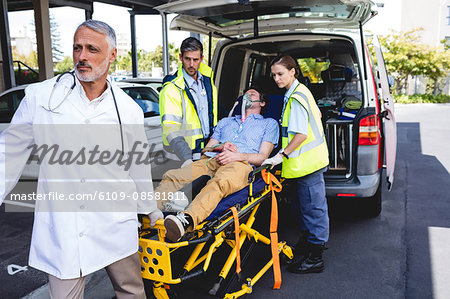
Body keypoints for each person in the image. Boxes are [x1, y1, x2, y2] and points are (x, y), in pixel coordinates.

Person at [0, 20, 163, 298]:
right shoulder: (41, 97)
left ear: (112, 55)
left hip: (115, 223)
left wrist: (150, 209)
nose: (82, 56)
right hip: (65, 229)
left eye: (92, 49)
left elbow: (137, 167)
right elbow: (8, 154)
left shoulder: (128, 110)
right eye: (77, 48)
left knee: (131, 292)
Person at [156, 87, 279, 242]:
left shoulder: (269, 124)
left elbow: (262, 157)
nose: (247, 96)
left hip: (240, 163)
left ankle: (186, 219)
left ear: (262, 102)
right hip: (211, 160)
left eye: (252, 94)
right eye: (245, 94)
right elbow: (206, 150)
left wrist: (237, 155)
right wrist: (219, 146)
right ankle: (147, 211)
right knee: (173, 175)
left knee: (220, 182)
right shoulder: (225, 122)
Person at [262, 55, 330, 274]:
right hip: (307, 162)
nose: (276, 78)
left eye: (281, 73)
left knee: (314, 209)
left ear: (293, 71)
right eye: (274, 75)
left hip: (308, 163)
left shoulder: (296, 97)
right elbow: (317, 114)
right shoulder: (300, 92)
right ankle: (310, 244)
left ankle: (315, 257)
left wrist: (282, 154)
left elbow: (300, 134)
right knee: (306, 208)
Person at [159, 37, 218, 168]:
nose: (191, 64)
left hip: (205, 153)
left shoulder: (208, 83)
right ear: (181, 57)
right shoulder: (172, 89)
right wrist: (186, 157)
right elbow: (170, 127)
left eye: (195, 60)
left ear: (201, 59)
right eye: (187, 59)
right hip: (181, 159)